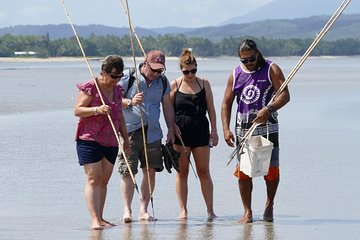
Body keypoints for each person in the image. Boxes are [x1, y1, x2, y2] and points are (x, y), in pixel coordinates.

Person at [221, 39, 290, 223]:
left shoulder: (271, 69)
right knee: (244, 173)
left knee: (271, 171)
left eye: (251, 58)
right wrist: (226, 129)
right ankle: (247, 211)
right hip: (244, 130)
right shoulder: (235, 74)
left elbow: (285, 95)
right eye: (244, 60)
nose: (249, 62)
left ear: (257, 53)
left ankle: (269, 205)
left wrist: (269, 109)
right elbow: (226, 103)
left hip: (268, 128)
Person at [118, 50, 175, 223]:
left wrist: (171, 128)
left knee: (150, 171)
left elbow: (167, 107)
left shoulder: (163, 82)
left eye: (160, 70)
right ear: (145, 63)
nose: (156, 74)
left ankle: (143, 210)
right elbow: (113, 100)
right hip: (131, 132)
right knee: (128, 172)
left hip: (153, 133)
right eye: (154, 69)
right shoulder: (129, 77)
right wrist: (130, 102)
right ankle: (127, 211)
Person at [74, 55, 130, 230]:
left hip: (111, 140)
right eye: (113, 76)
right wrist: (97, 109)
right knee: (93, 179)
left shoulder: (118, 90)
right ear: (104, 71)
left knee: (103, 181)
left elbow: (119, 116)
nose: (116, 80)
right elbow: (77, 110)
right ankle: (94, 220)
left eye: (119, 76)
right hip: (89, 138)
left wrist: (126, 140)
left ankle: (100, 217)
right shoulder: (91, 87)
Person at [170, 48, 218, 220]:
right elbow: (167, 109)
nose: (190, 74)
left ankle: (210, 211)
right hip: (180, 132)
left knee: (204, 171)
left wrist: (214, 130)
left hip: (200, 129)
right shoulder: (175, 84)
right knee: (182, 172)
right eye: (186, 71)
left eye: (193, 71)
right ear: (181, 70)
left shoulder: (204, 83)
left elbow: (211, 109)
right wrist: (171, 127)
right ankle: (183, 210)